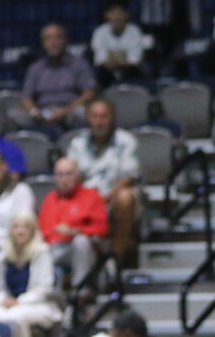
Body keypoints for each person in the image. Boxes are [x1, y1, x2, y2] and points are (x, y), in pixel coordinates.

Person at [65, 98, 141, 267]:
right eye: (94, 116)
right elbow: (72, 175)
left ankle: (115, 256)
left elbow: (128, 177)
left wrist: (103, 199)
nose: (99, 122)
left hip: (112, 198)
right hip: (85, 198)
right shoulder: (77, 143)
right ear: (88, 118)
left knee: (125, 197)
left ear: (112, 118)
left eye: (104, 116)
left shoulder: (125, 140)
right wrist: (89, 200)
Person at [0, 212, 62, 337]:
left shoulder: (42, 252)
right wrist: (4, 300)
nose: (20, 231)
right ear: (11, 231)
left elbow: (44, 289)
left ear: (32, 231)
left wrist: (19, 301)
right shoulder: (3, 258)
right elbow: (0, 290)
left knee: (16, 317)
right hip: (10, 305)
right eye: (16, 227)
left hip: (38, 305)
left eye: (25, 227)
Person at [18, 23, 97, 140]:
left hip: (70, 110)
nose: (53, 43)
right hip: (42, 112)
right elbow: (26, 97)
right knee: (14, 115)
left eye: (57, 37)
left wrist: (65, 111)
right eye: (48, 39)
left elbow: (90, 92)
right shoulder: (35, 68)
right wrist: (35, 113)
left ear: (65, 40)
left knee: (82, 112)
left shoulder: (79, 64)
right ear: (43, 43)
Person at [38, 158, 108, 289]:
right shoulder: (50, 199)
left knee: (81, 242)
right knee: (39, 249)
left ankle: (80, 291)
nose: (64, 179)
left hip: (82, 249)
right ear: (54, 178)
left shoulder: (91, 196)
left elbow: (101, 229)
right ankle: (42, 292)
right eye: (60, 175)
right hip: (55, 248)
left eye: (69, 174)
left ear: (77, 176)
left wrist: (76, 231)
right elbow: (43, 231)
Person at [90, 0, 146, 88]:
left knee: (136, 71)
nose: (116, 17)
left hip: (129, 71)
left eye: (120, 13)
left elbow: (135, 60)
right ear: (106, 15)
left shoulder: (135, 31)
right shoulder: (99, 32)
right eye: (113, 13)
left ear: (127, 15)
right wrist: (116, 63)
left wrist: (118, 64)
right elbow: (100, 59)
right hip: (106, 72)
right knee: (98, 72)